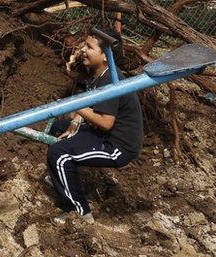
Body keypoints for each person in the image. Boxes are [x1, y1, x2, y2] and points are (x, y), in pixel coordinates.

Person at [45, 28, 143, 223]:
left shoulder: (110, 82)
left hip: (117, 146)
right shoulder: (100, 74)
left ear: (105, 57)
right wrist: (75, 120)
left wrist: (76, 106)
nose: (82, 49)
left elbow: (106, 123)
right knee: (59, 128)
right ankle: (62, 178)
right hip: (103, 135)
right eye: (85, 44)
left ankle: (79, 212)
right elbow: (93, 105)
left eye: (89, 47)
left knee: (59, 154)